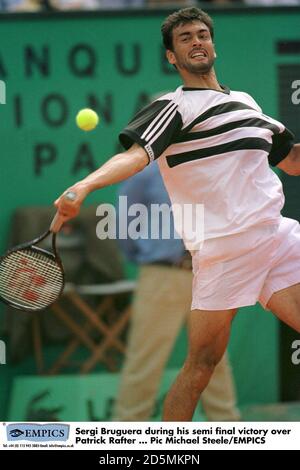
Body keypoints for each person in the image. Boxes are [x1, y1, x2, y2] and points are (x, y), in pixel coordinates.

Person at [54, 7, 300, 421]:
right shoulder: (173, 107)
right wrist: (85, 185)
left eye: (202, 34)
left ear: (213, 44)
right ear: (172, 56)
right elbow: (134, 157)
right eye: (185, 38)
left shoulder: (246, 103)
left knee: (215, 376)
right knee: (201, 366)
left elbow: (290, 161)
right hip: (221, 253)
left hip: (277, 237)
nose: (196, 41)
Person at [112, 161, 240, 421]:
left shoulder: (211, 169)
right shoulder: (145, 174)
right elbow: (122, 224)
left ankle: (229, 431)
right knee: (145, 362)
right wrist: (153, 258)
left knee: (214, 360)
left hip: (207, 275)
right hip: (162, 277)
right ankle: (125, 435)